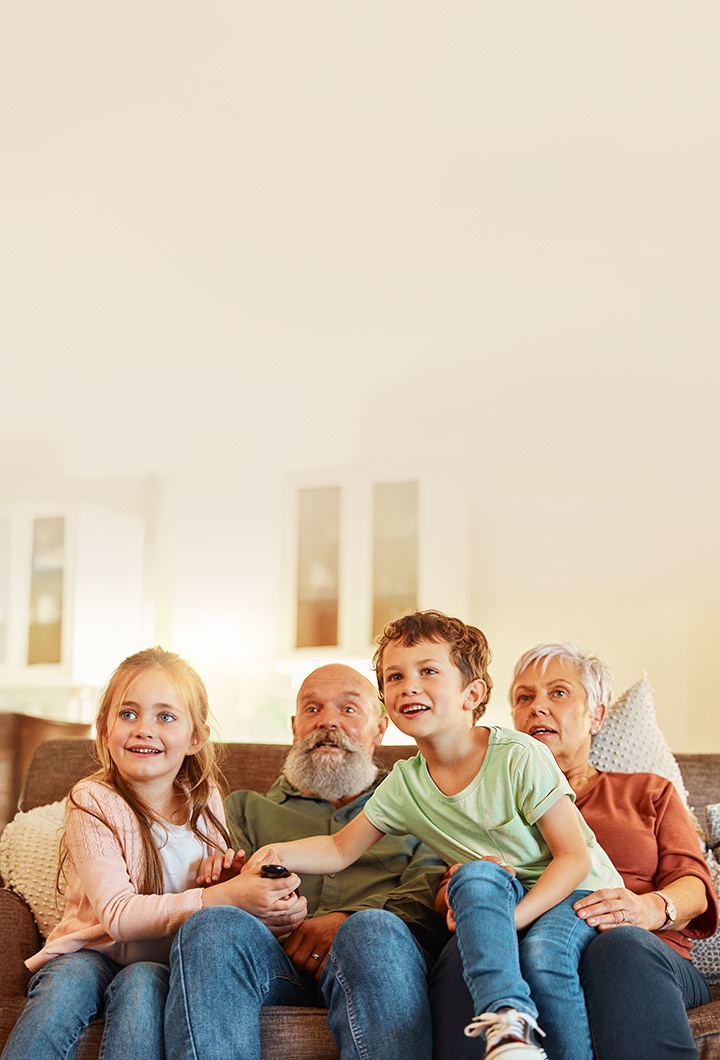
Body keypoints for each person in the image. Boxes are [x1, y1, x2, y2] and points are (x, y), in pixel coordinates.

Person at [245, 611, 623, 1060]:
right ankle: (506, 1029)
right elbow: (338, 847)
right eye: (395, 676)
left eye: (428, 671)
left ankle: (510, 1028)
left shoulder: (520, 755)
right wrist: (274, 852)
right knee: (474, 880)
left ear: (473, 693)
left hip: (579, 891)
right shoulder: (406, 783)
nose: (409, 686)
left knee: (542, 956)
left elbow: (574, 860)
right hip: (498, 893)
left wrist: (514, 919)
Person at [1, 647, 304, 1060]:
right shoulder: (92, 800)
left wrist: (226, 880)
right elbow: (119, 916)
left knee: (142, 985)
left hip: (163, 962)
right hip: (92, 951)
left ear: (196, 738)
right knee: (66, 983)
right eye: (128, 714)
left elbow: (206, 903)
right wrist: (222, 896)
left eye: (165, 716)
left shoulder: (206, 800)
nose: (144, 729)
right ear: (104, 732)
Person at [430, 642, 719, 1060]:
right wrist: (458, 903)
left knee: (620, 947)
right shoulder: (486, 798)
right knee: (468, 951)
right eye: (524, 698)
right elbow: (448, 890)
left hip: (642, 950)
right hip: (519, 947)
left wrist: (649, 909)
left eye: (559, 693)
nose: (537, 708)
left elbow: (693, 884)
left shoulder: (648, 791)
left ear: (596, 716)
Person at [165, 662, 449, 1060]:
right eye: (313, 710)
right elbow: (230, 896)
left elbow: (430, 888)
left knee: (371, 931)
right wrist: (231, 889)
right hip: (274, 963)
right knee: (213, 925)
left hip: (378, 957)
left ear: (380, 728)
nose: (327, 723)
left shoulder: (419, 802)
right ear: (295, 726)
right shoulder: (243, 809)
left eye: (348, 710)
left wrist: (347, 920)